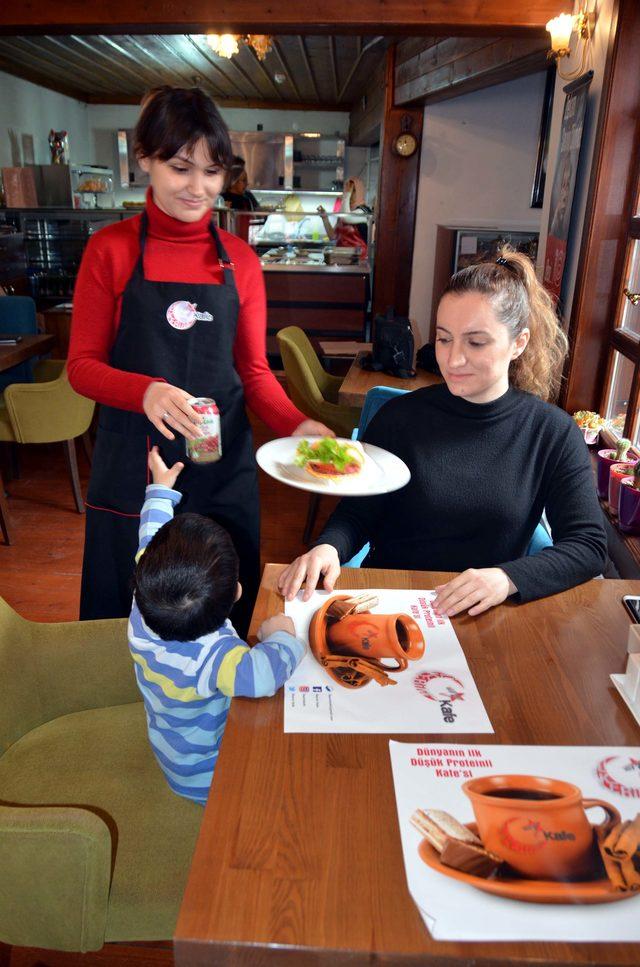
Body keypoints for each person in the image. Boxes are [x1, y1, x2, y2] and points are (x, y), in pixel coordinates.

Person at [68, 86, 330, 632]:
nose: (198, 188)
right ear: (145, 158)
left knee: (224, 597)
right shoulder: (110, 249)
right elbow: (82, 366)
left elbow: (255, 373)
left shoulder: (239, 260)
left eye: (212, 172)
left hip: (220, 459)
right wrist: (146, 391)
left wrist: (299, 425)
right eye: (180, 167)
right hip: (136, 463)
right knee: (129, 594)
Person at [279, 249, 608, 617]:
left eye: (476, 342)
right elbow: (358, 513)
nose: (453, 360)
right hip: (394, 601)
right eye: (444, 339)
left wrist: (506, 578)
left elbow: (588, 545)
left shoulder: (552, 433)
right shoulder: (399, 417)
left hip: (486, 613)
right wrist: (328, 548)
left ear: (519, 343)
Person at [130, 446, 305, 805]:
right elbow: (262, 676)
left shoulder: (146, 591)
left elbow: (151, 531)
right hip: (209, 775)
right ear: (236, 593)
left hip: (171, 749)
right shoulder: (217, 658)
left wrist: (162, 488)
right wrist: (282, 636)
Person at [317, 177, 371, 255]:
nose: (350, 193)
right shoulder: (343, 211)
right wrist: (325, 218)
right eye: (347, 189)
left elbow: (347, 218)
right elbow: (332, 236)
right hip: (341, 257)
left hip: (358, 259)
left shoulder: (364, 211)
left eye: (353, 190)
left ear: (360, 192)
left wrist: (347, 195)